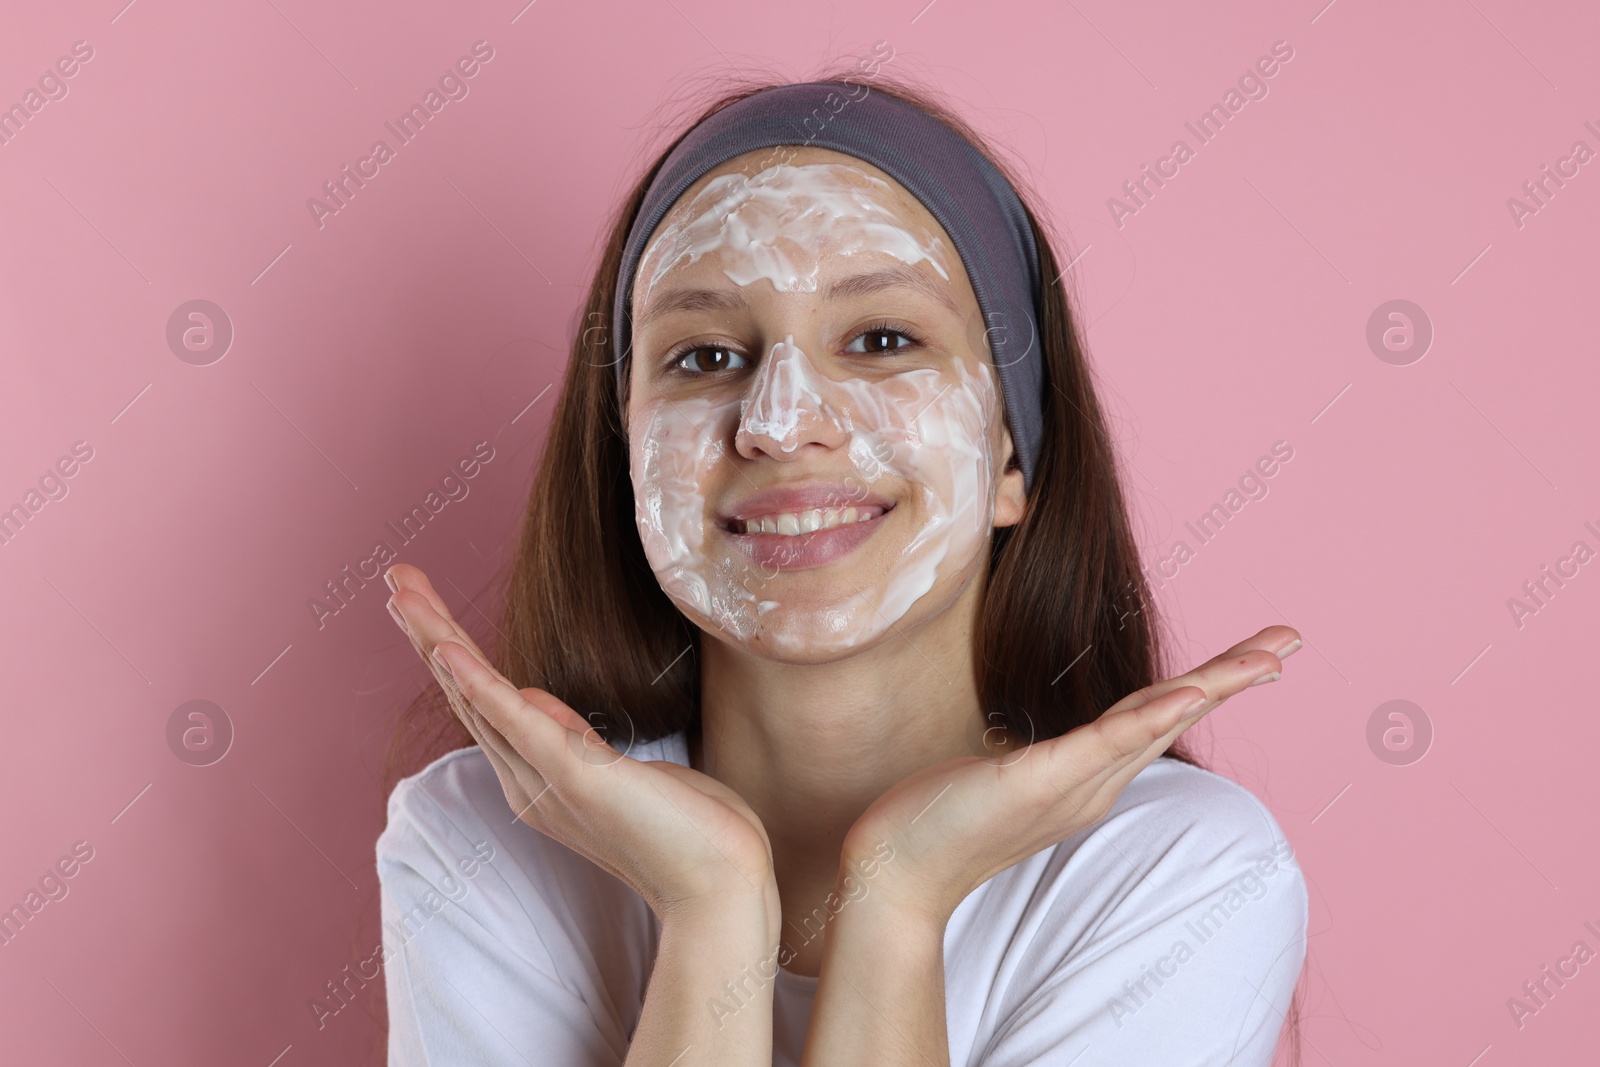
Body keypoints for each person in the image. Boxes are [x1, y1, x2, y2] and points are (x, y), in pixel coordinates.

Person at [376, 70, 1308, 1067]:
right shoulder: (480, 835)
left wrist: (899, 898)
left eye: (879, 338)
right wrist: (711, 901)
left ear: (1010, 460)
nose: (777, 423)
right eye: (701, 356)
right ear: (628, 457)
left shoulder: (1183, 872)